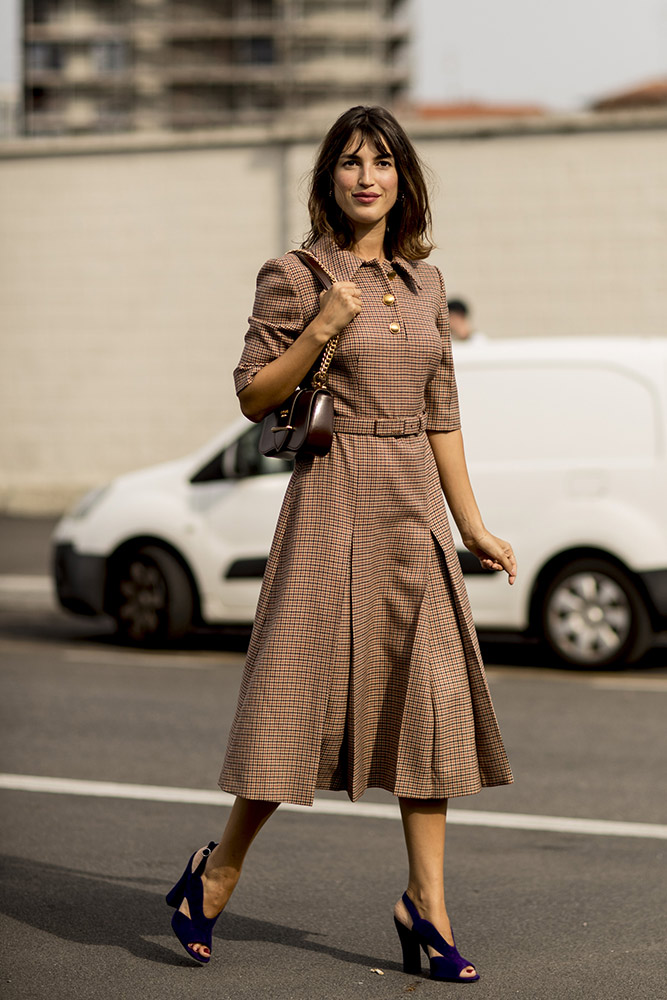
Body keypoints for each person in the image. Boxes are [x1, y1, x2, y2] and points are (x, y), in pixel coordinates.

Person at [166, 105, 516, 983]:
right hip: (329, 500)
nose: (368, 176)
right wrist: (321, 326)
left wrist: (470, 523)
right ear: (328, 179)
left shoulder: (425, 285)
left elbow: (441, 411)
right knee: (293, 703)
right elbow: (252, 398)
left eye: (383, 162)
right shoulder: (291, 276)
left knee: (425, 707)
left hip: (411, 515)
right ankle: (217, 874)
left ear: (404, 180)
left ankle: (425, 909)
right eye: (351, 163)